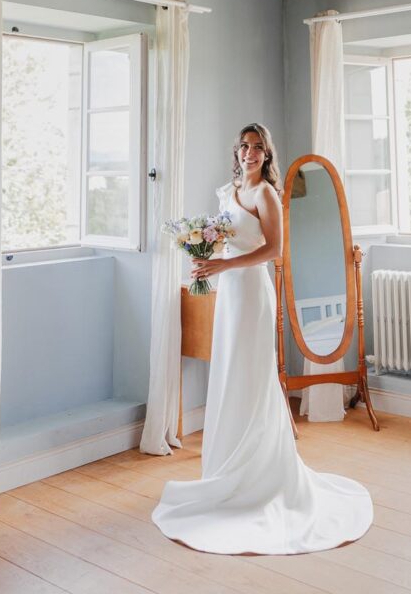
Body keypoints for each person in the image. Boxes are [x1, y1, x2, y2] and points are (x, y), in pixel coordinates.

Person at [151, 123, 373, 555]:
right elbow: (227, 243)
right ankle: (225, 468)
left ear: (267, 155)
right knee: (231, 373)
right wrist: (205, 258)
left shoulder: (266, 195)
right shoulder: (230, 189)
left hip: (251, 292)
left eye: (258, 149)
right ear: (236, 152)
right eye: (245, 147)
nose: (250, 154)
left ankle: (259, 473)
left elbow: (274, 251)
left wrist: (223, 267)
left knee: (252, 375)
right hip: (231, 292)